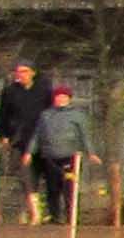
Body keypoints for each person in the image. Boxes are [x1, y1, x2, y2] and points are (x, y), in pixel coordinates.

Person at [0, 60, 42, 209]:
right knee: (23, 172)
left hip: (40, 138)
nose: (21, 75)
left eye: (25, 71)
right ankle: (30, 208)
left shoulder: (41, 91)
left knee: (38, 173)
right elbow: (2, 115)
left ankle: (39, 207)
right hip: (18, 139)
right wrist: (4, 135)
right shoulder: (10, 91)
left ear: (33, 73)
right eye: (19, 72)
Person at [30, 80, 84, 222]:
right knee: (52, 188)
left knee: (69, 188)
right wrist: (29, 152)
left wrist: (91, 153)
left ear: (69, 98)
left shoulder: (77, 115)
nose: (61, 99)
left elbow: (85, 135)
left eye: (64, 97)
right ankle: (55, 216)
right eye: (58, 97)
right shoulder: (45, 115)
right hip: (50, 157)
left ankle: (71, 216)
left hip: (69, 157)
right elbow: (37, 135)